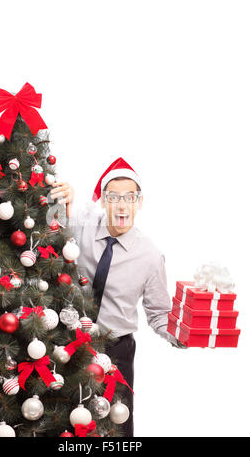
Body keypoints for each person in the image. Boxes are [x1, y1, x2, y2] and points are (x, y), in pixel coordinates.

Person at [50, 157, 184, 437]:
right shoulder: (83, 227)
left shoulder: (150, 256)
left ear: (140, 202)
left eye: (129, 197)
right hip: (67, 342)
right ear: (102, 200)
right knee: (62, 421)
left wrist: (180, 336)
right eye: (113, 197)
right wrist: (62, 201)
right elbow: (50, 229)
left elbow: (158, 314)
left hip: (116, 349)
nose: (121, 205)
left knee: (116, 426)